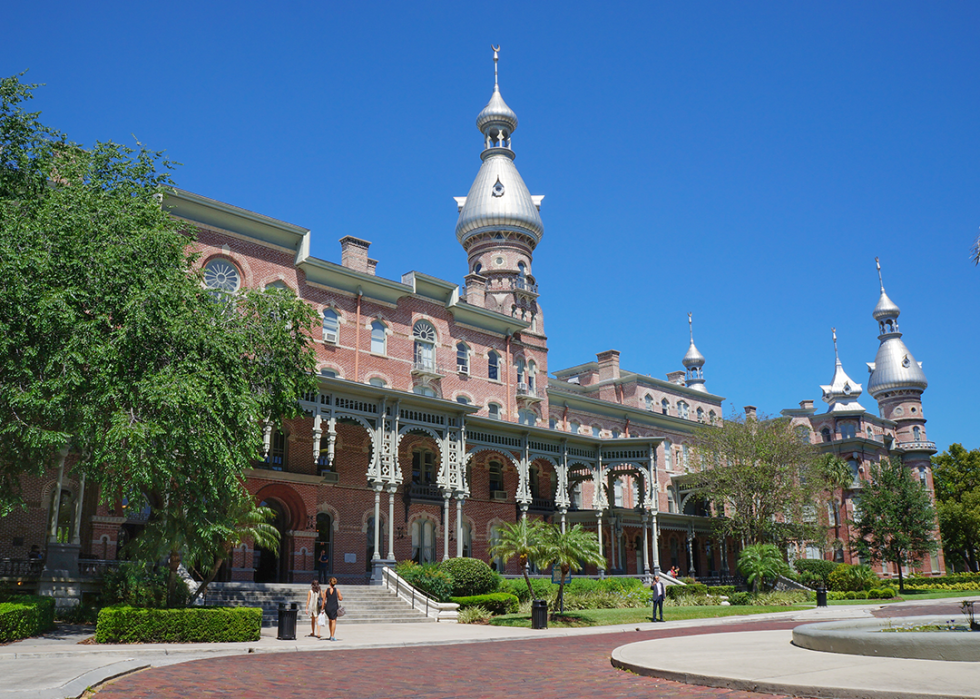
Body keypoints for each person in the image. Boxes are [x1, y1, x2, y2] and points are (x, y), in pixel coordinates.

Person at [323, 576, 343, 641]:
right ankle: (332, 635)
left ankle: (330, 634)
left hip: (328, 607)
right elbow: (340, 598)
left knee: (330, 620)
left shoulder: (326, 590)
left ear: (329, 583)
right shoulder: (337, 590)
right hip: (334, 607)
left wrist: (322, 608)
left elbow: (323, 600)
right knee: (334, 621)